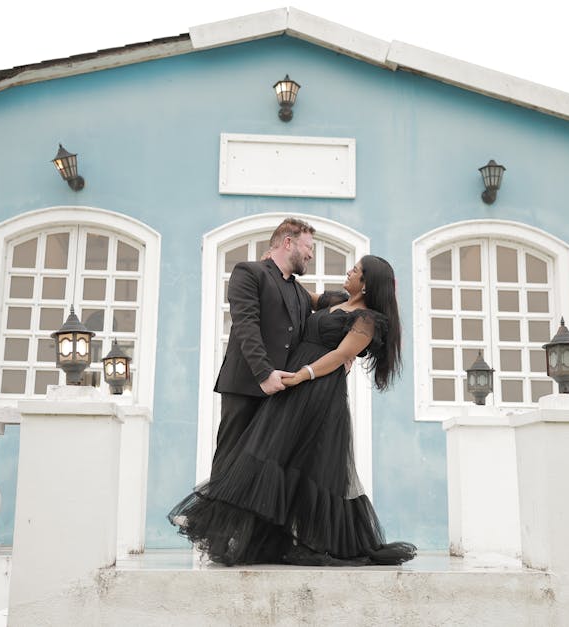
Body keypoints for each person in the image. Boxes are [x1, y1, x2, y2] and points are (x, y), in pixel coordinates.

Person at [170, 255, 417, 566]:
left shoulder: (368, 320)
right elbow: (297, 294)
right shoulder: (338, 300)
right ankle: (231, 528)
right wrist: (271, 271)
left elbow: (341, 355)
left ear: (366, 283)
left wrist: (304, 374)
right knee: (263, 453)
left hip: (319, 392)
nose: (349, 271)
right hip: (294, 387)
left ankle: (302, 539)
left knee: (306, 464)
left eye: (355, 270)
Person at [211, 217, 345, 474]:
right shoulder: (249, 272)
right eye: (309, 247)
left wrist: (365, 293)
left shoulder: (298, 292)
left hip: (282, 393)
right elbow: (246, 325)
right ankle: (210, 517)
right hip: (246, 387)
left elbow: (328, 303)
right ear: (288, 242)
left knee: (266, 473)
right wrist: (264, 373)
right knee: (230, 463)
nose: (311, 255)